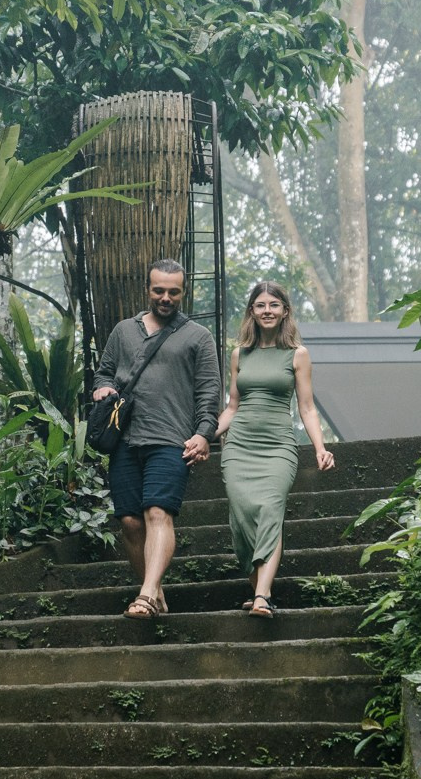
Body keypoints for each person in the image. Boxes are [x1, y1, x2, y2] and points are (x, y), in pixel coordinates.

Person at [90, 259, 221, 619]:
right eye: (159, 290)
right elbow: (103, 373)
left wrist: (203, 433)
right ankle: (156, 590)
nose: (165, 298)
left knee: (157, 512)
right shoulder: (123, 331)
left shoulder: (197, 336)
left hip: (171, 439)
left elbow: (210, 393)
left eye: (173, 292)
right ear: (148, 289)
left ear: (183, 291)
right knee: (130, 522)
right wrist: (103, 389)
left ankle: (145, 596)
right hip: (125, 439)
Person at [215, 281, 334, 618]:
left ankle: (263, 595)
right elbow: (232, 406)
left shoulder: (297, 354)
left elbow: (307, 408)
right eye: (260, 305)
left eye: (274, 305)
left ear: (285, 311)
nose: (267, 311)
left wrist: (320, 448)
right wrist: (205, 433)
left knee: (270, 510)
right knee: (242, 520)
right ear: (252, 311)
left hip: (277, 446)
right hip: (240, 447)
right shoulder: (240, 354)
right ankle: (257, 592)